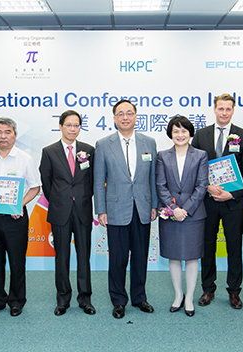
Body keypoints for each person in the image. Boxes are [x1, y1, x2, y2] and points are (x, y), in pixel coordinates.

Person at [94, 99, 158, 319]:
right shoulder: (103, 144)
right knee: (118, 259)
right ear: (114, 118)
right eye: (120, 113)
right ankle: (118, 300)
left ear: (136, 116)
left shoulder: (149, 142)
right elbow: (98, 180)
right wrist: (101, 209)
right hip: (115, 210)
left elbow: (152, 178)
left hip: (142, 208)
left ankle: (140, 298)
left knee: (140, 257)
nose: (125, 117)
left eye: (129, 113)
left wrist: (154, 205)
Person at [190, 93, 243, 309]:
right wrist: (207, 186)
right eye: (221, 109)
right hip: (207, 201)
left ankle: (234, 291)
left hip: (233, 203)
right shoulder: (201, 135)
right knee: (207, 247)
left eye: (228, 109)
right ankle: (208, 289)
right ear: (214, 109)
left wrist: (234, 193)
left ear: (233, 110)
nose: (224, 113)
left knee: (234, 247)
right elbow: (196, 167)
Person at [0, 117, 41, 317]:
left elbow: (35, 187)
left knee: (16, 261)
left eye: (7, 132)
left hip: (15, 218)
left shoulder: (25, 158)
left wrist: (18, 204)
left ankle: (17, 301)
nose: (3, 136)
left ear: (15, 135)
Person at [39, 110, 96, 316]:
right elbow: (47, 182)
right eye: (69, 125)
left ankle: (85, 299)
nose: (73, 129)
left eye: (77, 125)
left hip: (82, 211)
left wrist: (80, 198)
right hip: (60, 212)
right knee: (61, 257)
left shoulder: (88, 150)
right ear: (61, 126)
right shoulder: (49, 151)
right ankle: (63, 299)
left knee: (84, 256)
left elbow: (92, 181)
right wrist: (61, 199)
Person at [156, 115, 208, 317]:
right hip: (170, 214)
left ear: (190, 133)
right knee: (174, 256)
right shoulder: (162, 155)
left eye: (184, 131)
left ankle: (189, 298)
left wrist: (185, 209)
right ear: (170, 134)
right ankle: (178, 295)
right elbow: (160, 185)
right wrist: (173, 208)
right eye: (176, 131)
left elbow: (202, 185)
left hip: (193, 214)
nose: (180, 135)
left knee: (193, 257)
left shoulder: (201, 155)